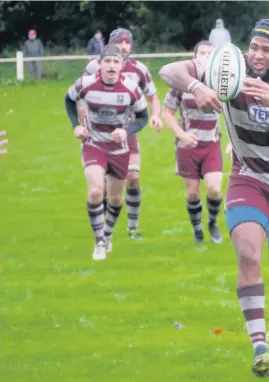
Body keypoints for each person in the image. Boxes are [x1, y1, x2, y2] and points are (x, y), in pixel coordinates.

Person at [160, 18, 269, 377]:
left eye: (267, 49)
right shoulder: (229, 65)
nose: (258, 55)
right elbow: (169, 70)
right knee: (248, 253)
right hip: (248, 179)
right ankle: (259, 346)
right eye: (254, 46)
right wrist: (195, 87)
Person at [64, 45, 149, 261]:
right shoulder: (86, 84)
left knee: (115, 198)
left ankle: (108, 234)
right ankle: (99, 242)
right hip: (93, 144)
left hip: (119, 149)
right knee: (95, 192)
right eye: (107, 61)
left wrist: (126, 130)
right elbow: (69, 99)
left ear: (121, 66)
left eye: (116, 62)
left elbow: (143, 117)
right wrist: (76, 125)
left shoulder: (131, 89)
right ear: (99, 64)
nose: (111, 66)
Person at [83, 28, 163, 240]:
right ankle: (103, 231)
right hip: (97, 134)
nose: (125, 46)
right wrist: (83, 126)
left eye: (128, 43)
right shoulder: (94, 66)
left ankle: (132, 228)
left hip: (126, 132)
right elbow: (81, 97)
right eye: (120, 42)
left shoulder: (139, 69)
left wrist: (155, 116)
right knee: (104, 188)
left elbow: (153, 96)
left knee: (133, 178)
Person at [161, 41, 224, 244]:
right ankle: (197, 230)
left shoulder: (221, 83)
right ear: (194, 57)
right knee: (192, 192)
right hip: (188, 146)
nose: (205, 56)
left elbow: (234, 115)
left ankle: (212, 224)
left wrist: (234, 142)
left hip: (212, 145)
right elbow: (167, 113)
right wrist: (181, 134)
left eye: (210, 53)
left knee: (215, 189)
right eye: (202, 53)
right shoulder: (181, 84)